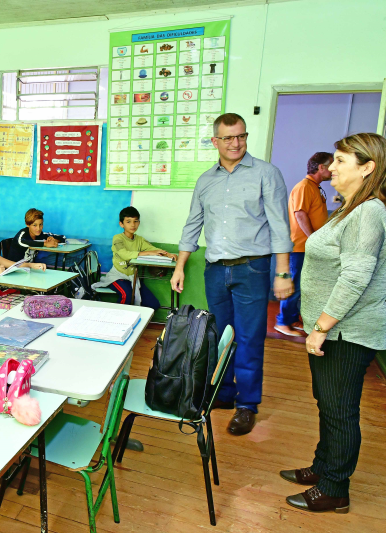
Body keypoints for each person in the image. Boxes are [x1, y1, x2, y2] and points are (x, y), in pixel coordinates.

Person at [282, 133, 386, 514]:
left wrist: (321, 327)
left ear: (368, 168)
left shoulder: (368, 213)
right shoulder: (353, 209)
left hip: (346, 332)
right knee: (328, 404)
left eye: (340, 161)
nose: (330, 168)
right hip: (334, 330)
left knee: (340, 411)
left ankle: (335, 489)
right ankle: (323, 467)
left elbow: (355, 278)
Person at [172, 112, 294, 436]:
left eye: (241, 136)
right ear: (215, 141)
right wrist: (180, 266)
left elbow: (280, 225)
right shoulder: (205, 180)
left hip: (252, 268)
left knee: (250, 337)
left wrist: (283, 272)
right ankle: (223, 393)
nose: (235, 143)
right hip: (215, 270)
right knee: (219, 335)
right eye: (228, 138)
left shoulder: (266, 173)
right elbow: (192, 225)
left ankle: (247, 405)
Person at [275, 152, 333, 337]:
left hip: (307, 247)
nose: (333, 170)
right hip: (299, 247)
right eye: (331, 165)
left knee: (301, 284)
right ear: (321, 167)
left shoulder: (314, 187)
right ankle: (282, 322)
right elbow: (300, 214)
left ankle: (292, 318)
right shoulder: (304, 187)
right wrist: (313, 239)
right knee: (293, 285)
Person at [92, 206, 175, 309]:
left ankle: (135, 317)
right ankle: (116, 317)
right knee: (126, 295)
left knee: (153, 304)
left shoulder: (139, 240)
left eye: (135, 221)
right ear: (121, 224)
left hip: (133, 278)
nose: (132, 225)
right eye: (128, 221)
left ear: (139, 223)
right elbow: (124, 254)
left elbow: (153, 249)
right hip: (117, 277)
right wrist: (146, 253)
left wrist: (168, 254)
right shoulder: (118, 238)